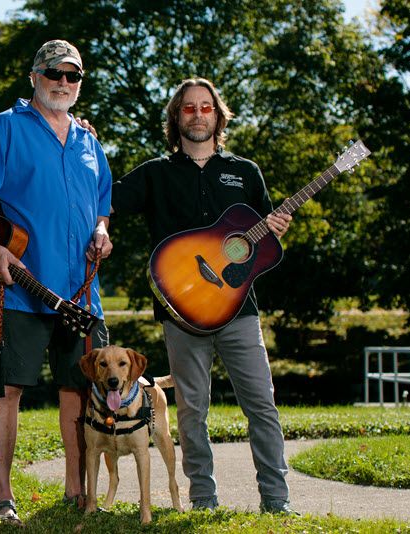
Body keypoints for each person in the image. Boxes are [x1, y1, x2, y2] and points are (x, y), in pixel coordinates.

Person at [110, 78, 296, 514]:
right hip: (181, 315)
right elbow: (108, 199)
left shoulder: (245, 171)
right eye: (188, 108)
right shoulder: (155, 172)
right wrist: (86, 146)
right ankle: (204, 501)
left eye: (205, 108)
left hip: (239, 311)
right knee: (193, 412)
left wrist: (276, 230)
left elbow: (262, 247)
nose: (198, 115)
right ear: (177, 117)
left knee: (262, 406)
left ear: (218, 115)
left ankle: (277, 501)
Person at [0, 40, 112, 525]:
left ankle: (76, 492)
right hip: (18, 285)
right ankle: (4, 497)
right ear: (34, 75)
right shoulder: (4, 128)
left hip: (81, 292)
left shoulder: (90, 142)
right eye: (54, 73)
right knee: (7, 391)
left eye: (73, 76)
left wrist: (102, 231)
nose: (63, 82)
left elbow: (103, 205)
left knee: (78, 392)